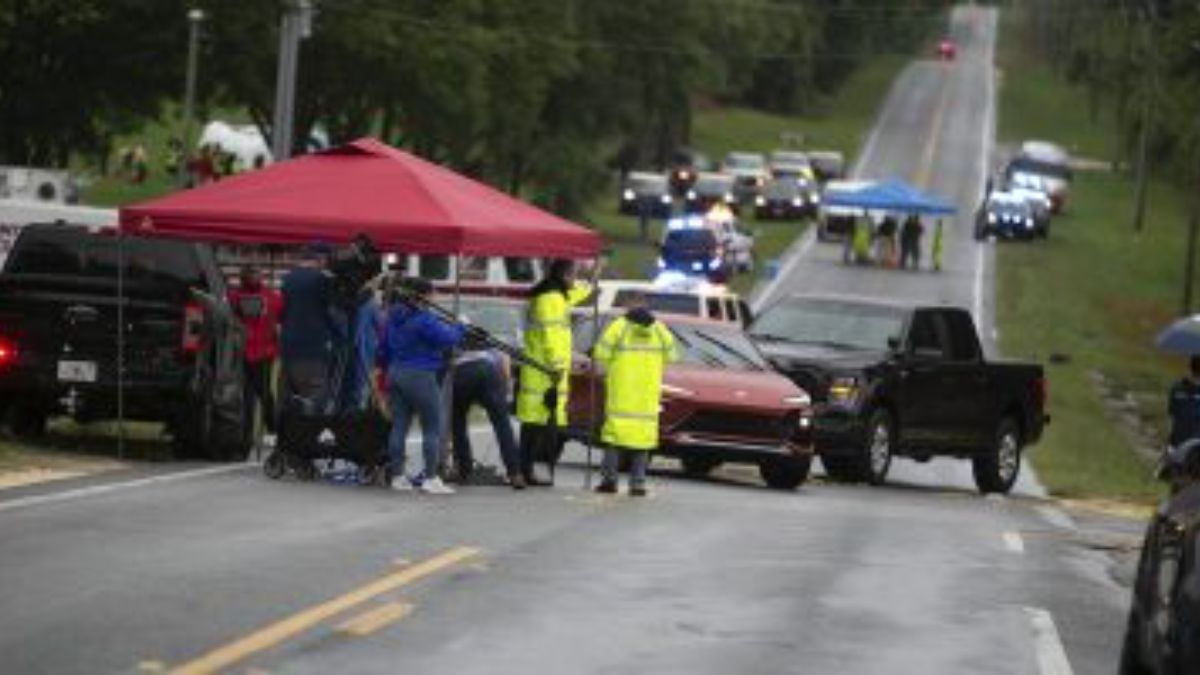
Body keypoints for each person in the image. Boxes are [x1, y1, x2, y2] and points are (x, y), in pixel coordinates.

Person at [377, 278, 466, 494]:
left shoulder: (393, 317)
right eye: (433, 293)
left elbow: (383, 351)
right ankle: (431, 477)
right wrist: (461, 326)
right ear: (424, 296)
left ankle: (398, 476)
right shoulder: (424, 319)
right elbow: (448, 338)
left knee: (399, 426)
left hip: (395, 373)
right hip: (420, 374)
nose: (435, 297)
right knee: (432, 427)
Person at [517, 259, 594, 485]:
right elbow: (551, 334)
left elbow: (578, 294)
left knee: (537, 424)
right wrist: (556, 365)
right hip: (545, 371)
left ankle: (527, 470)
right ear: (564, 275)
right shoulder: (551, 299)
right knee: (534, 425)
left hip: (543, 369)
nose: (575, 280)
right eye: (573, 274)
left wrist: (590, 277)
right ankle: (525, 469)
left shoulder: (555, 295)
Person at [594, 295, 678, 496]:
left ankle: (609, 481)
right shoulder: (659, 329)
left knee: (614, 438)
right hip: (646, 394)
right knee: (643, 440)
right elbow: (672, 356)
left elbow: (600, 354)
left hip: (621, 392)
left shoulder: (619, 327)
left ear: (628, 307)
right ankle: (637, 484)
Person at [450, 343, 524, 489]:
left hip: (461, 371)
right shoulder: (487, 343)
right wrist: (505, 392)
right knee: (502, 422)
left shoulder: (450, 332)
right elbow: (504, 359)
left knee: (458, 422)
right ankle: (515, 473)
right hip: (489, 370)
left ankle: (464, 469)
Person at [228, 266, 283, 449]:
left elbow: (283, 317)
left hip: (264, 352)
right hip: (242, 351)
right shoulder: (234, 297)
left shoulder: (272, 297)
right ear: (243, 277)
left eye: (257, 274)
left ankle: (273, 430)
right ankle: (244, 431)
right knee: (245, 394)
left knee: (265, 393)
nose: (254, 277)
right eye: (250, 274)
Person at [279, 246, 336, 415]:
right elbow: (331, 309)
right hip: (315, 345)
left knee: (292, 394)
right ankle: (310, 432)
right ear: (317, 260)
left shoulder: (287, 279)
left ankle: (293, 432)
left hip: (290, 345)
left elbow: (283, 310)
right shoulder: (322, 279)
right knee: (316, 392)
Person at [1169, 356, 1200, 448]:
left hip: (1179, 440)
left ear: (1189, 367)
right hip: (1192, 443)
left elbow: (1172, 413)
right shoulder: (1178, 387)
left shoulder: (1177, 387)